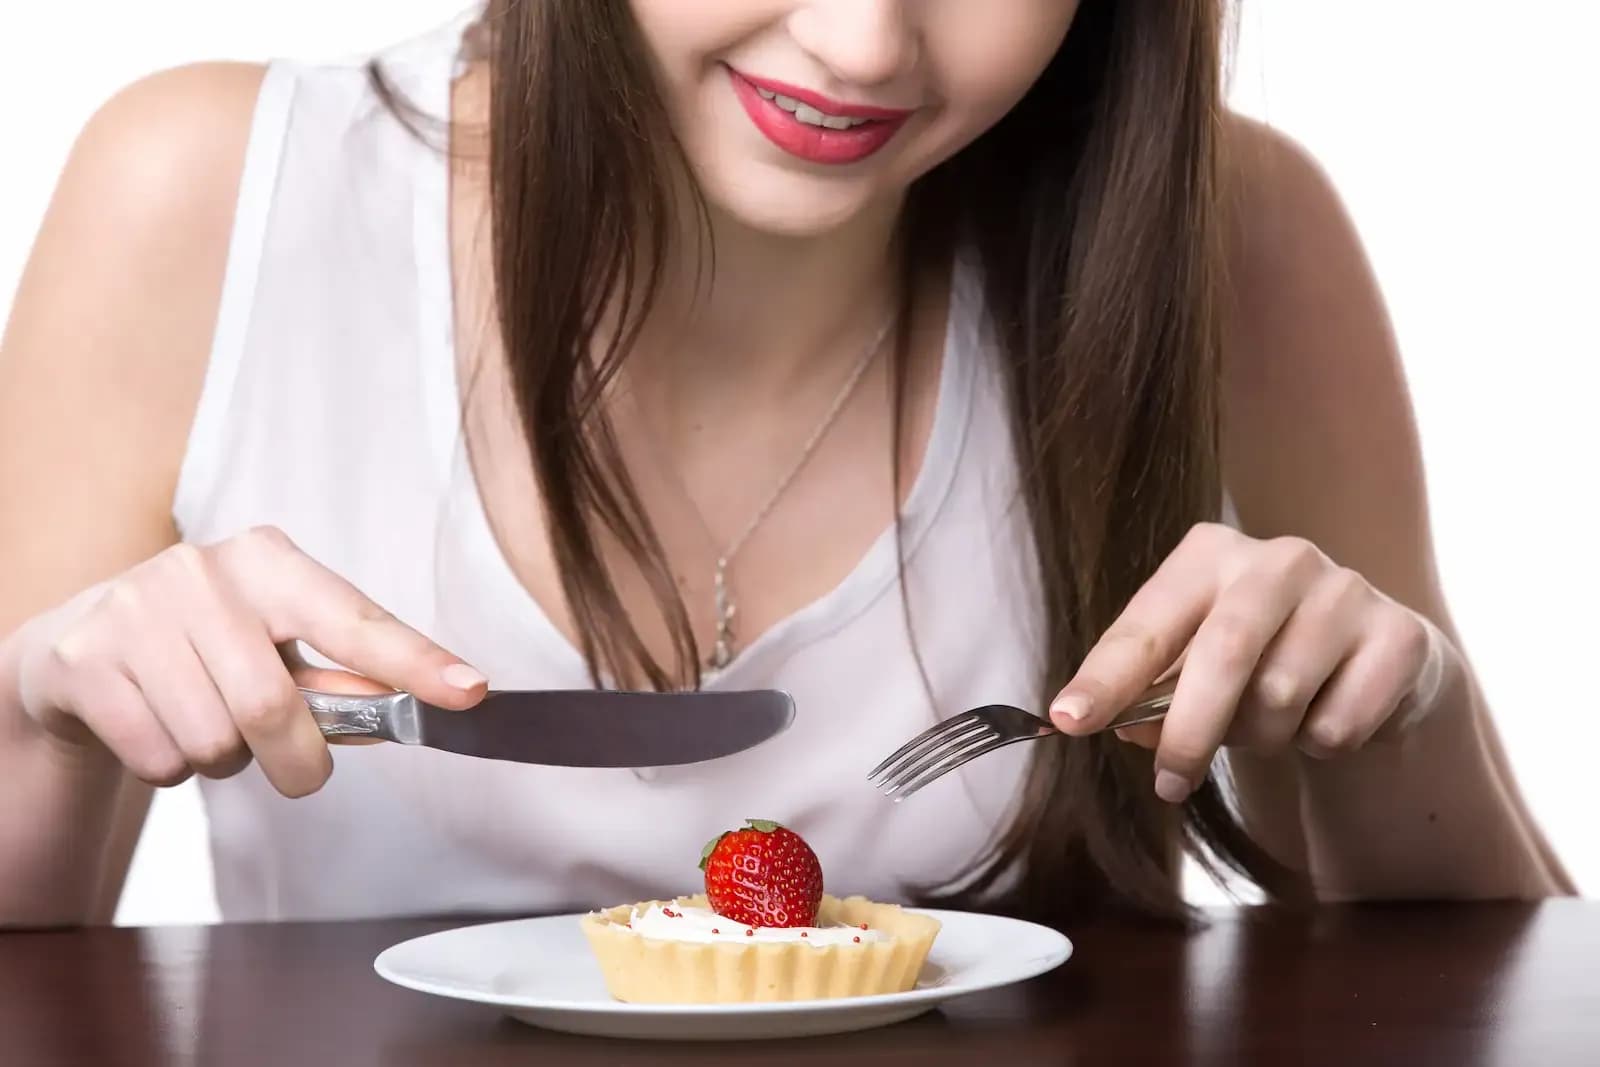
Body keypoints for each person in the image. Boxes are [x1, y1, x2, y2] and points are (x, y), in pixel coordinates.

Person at [0, 1, 1570, 929]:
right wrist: (46, 710)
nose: (859, 38)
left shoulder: (1230, 235)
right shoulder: (210, 194)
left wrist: (1389, 717)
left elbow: (1487, 988)